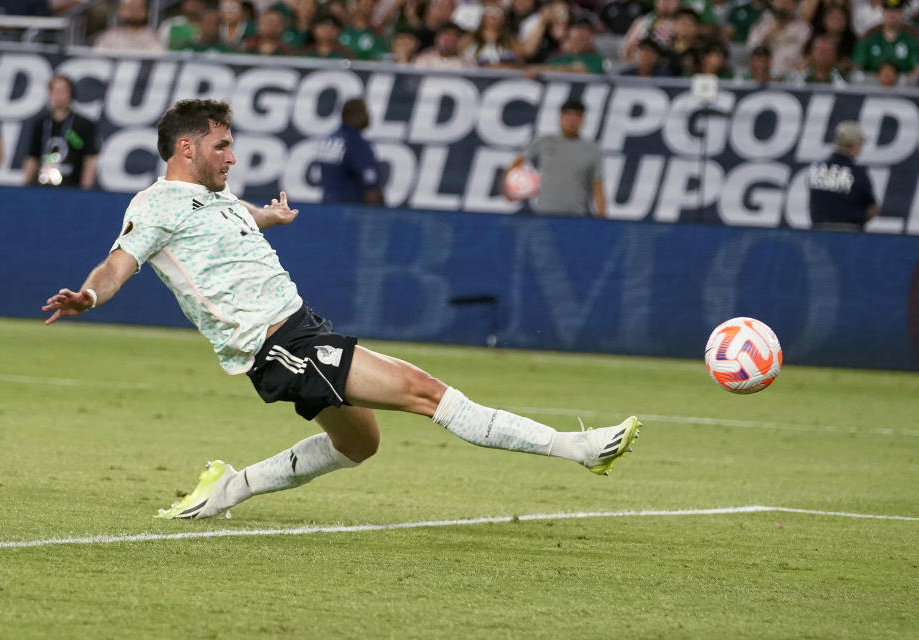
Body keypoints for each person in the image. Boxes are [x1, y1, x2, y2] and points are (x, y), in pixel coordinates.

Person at [41, 99, 641, 520]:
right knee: (426, 393)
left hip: (302, 329)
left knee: (360, 445)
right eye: (222, 147)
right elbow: (118, 263)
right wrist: (89, 295)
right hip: (277, 347)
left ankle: (228, 488)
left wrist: (266, 216)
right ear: (187, 146)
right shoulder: (156, 205)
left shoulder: (210, 200)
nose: (231, 157)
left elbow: (231, 217)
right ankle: (577, 448)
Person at [503, 98, 606, 217]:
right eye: (568, 115)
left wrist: (602, 217)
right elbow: (518, 161)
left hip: (576, 217)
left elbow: (597, 185)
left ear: (583, 120)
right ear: (560, 117)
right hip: (543, 214)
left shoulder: (592, 150)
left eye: (577, 116)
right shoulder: (544, 142)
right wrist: (508, 189)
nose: (572, 121)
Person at [22, 75, 100, 189]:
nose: (60, 96)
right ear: (50, 94)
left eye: (63, 91)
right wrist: (25, 185)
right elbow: (32, 157)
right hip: (42, 185)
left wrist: (85, 190)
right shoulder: (41, 124)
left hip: (72, 186)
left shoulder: (83, 124)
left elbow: (89, 159)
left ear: (70, 94)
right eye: (56, 91)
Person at [807, 121, 878, 231]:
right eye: (860, 144)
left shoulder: (817, 168)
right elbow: (872, 207)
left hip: (818, 234)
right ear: (855, 145)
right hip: (848, 235)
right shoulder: (857, 172)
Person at [317, 97, 382, 205]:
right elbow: (371, 189)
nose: (368, 116)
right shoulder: (355, 143)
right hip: (349, 212)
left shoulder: (330, 139)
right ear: (356, 115)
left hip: (326, 209)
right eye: (365, 112)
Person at [746, 0, 812, 77]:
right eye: (780, 2)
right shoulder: (763, 24)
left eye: (788, 2)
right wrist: (769, 33)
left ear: (796, 6)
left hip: (791, 76)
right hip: (765, 76)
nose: (783, 6)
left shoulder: (804, 28)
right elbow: (751, 48)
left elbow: (808, 56)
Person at [93, 0, 165, 52]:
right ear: (120, 10)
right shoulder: (110, 36)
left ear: (145, 11)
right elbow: (98, 55)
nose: (132, 12)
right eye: (129, 8)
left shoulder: (152, 37)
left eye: (137, 8)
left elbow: (158, 56)